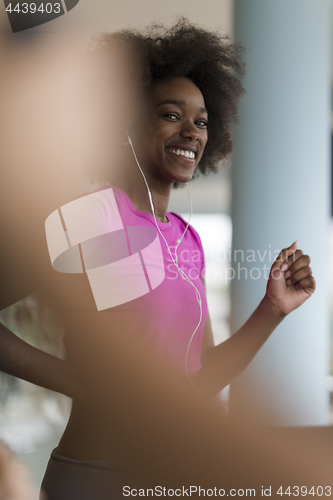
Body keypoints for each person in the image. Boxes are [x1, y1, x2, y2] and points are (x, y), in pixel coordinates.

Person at [0, 19, 317, 499]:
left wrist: (271, 311)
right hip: (94, 478)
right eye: (172, 114)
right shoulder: (93, 217)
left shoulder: (186, 239)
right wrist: (74, 380)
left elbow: (198, 382)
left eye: (202, 121)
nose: (192, 131)